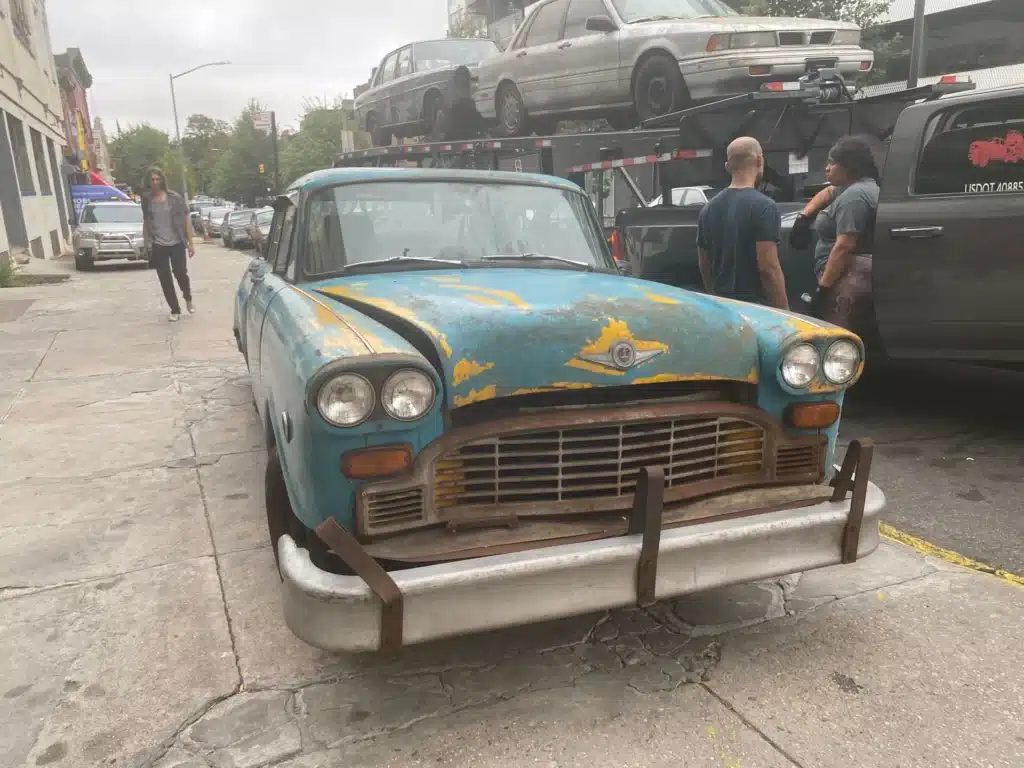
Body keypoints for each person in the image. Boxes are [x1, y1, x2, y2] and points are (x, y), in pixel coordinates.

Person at [793, 135, 880, 330]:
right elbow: (829, 192)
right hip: (850, 277)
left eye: (832, 162)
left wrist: (822, 290)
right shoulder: (862, 187)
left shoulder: (854, 197)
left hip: (845, 280)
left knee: (838, 336)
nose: (827, 168)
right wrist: (804, 216)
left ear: (849, 166)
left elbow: (844, 246)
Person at [696, 137, 789, 309]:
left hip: (724, 307)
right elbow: (768, 269)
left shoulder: (708, 209)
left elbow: (704, 264)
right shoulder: (765, 207)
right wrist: (786, 313)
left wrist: (716, 298)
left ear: (727, 166)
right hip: (757, 310)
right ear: (760, 160)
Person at [141, 166, 195, 322]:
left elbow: (186, 220)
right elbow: (146, 222)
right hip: (158, 244)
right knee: (165, 278)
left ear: (162, 180)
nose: (155, 182)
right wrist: (146, 243)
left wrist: (190, 244)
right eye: (152, 180)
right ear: (148, 182)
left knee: (180, 274)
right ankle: (175, 309)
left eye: (158, 179)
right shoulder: (147, 201)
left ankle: (188, 297)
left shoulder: (175, 198)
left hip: (177, 242)